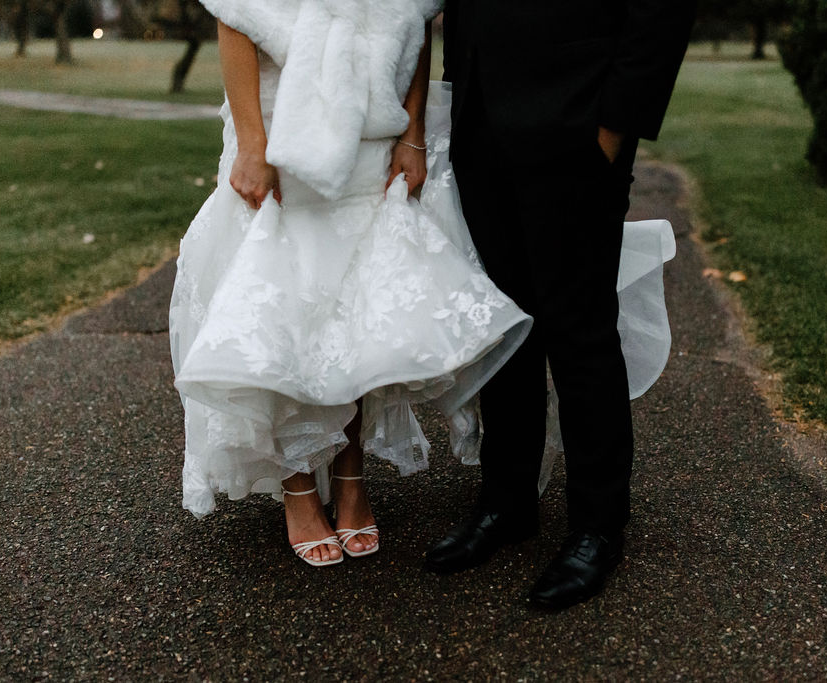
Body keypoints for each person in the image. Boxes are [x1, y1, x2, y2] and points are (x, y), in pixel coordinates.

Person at [169, 0, 534, 567]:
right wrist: (250, 143)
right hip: (277, 133)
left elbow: (412, 25)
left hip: (370, 139)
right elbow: (233, 17)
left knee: (356, 316)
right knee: (283, 314)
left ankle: (351, 477)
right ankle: (297, 488)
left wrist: (412, 134)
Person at [425, 1, 697, 609]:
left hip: (578, 120)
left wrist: (611, 129)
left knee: (580, 330)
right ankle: (506, 502)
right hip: (482, 120)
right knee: (506, 326)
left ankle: (596, 527)